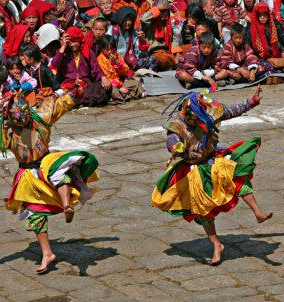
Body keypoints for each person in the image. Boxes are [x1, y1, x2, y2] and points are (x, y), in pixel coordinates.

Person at [0, 82, 99, 273]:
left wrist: (75, 94)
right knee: (35, 214)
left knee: (59, 173)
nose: (22, 124)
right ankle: (47, 253)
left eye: (24, 120)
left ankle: (67, 205)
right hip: (27, 174)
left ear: (28, 114)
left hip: (46, 161)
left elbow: (61, 104)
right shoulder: (7, 130)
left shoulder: (41, 116)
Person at [151, 85, 273, 265]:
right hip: (194, 170)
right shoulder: (178, 124)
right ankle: (216, 244)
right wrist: (175, 147)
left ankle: (258, 213)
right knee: (203, 209)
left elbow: (229, 111)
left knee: (236, 175)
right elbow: (172, 139)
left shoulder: (207, 112)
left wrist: (252, 102)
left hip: (213, 159)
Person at [51, 26, 112, 107]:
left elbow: (96, 69)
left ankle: (77, 101)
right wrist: (63, 46)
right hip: (69, 85)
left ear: (79, 40)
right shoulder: (64, 52)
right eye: (70, 42)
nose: (72, 45)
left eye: (74, 41)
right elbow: (55, 64)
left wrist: (103, 77)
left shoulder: (88, 52)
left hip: (85, 85)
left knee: (104, 86)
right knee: (62, 93)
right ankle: (82, 101)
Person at [97, 35, 145, 105]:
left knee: (135, 83)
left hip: (120, 82)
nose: (110, 52)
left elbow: (126, 71)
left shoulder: (117, 56)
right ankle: (127, 96)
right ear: (102, 48)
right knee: (114, 91)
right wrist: (120, 87)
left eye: (112, 49)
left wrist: (117, 62)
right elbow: (108, 78)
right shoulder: (100, 59)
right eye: (107, 49)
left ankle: (124, 96)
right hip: (111, 85)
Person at [246, 2, 284, 83]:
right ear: (256, 15)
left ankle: (273, 75)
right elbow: (249, 49)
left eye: (265, 15)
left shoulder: (274, 24)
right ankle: (275, 74)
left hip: (276, 55)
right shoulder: (250, 28)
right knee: (267, 66)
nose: (262, 17)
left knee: (278, 62)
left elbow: (282, 38)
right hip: (260, 58)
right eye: (260, 15)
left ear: (268, 14)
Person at [139, 0, 182, 70]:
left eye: (166, 11)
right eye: (161, 11)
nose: (164, 14)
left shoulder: (168, 23)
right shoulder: (149, 22)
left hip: (166, 52)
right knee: (163, 59)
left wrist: (177, 55)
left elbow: (174, 40)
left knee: (188, 50)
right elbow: (143, 19)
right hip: (153, 53)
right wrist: (157, 8)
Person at [107, 7, 154, 71]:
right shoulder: (110, 30)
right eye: (126, 20)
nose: (128, 22)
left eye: (130, 20)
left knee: (153, 58)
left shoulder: (132, 33)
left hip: (129, 62)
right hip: (114, 61)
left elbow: (138, 54)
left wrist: (142, 41)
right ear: (121, 19)